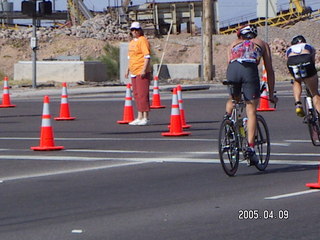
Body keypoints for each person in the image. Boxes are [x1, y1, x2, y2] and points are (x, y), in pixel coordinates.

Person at [225, 25, 276, 165]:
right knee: (251, 109)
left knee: (233, 98)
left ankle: (228, 121)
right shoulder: (262, 44)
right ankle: (251, 148)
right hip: (249, 70)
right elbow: (269, 71)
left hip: (232, 70)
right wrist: (271, 94)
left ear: (240, 36)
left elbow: (229, 63)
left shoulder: (232, 44)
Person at [286, 35, 320, 117]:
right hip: (306, 60)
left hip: (292, 61)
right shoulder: (308, 46)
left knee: (297, 80)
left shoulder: (289, 49)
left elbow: (287, 60)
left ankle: (298, 103)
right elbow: (312, 61)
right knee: (315, 93)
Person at [125, 21, 151, 126]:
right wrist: (127, 70)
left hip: (141, 71)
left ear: (140, 30)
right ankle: (139, 116)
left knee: (143, 94)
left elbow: (147, 56)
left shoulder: (143, 40)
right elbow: (130, 58)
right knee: (136, 94)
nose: (134, 32)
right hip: (134, 71)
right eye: (132, 30)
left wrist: (144, 69)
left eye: (136, 30)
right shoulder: (131, 43)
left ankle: (145, 117)